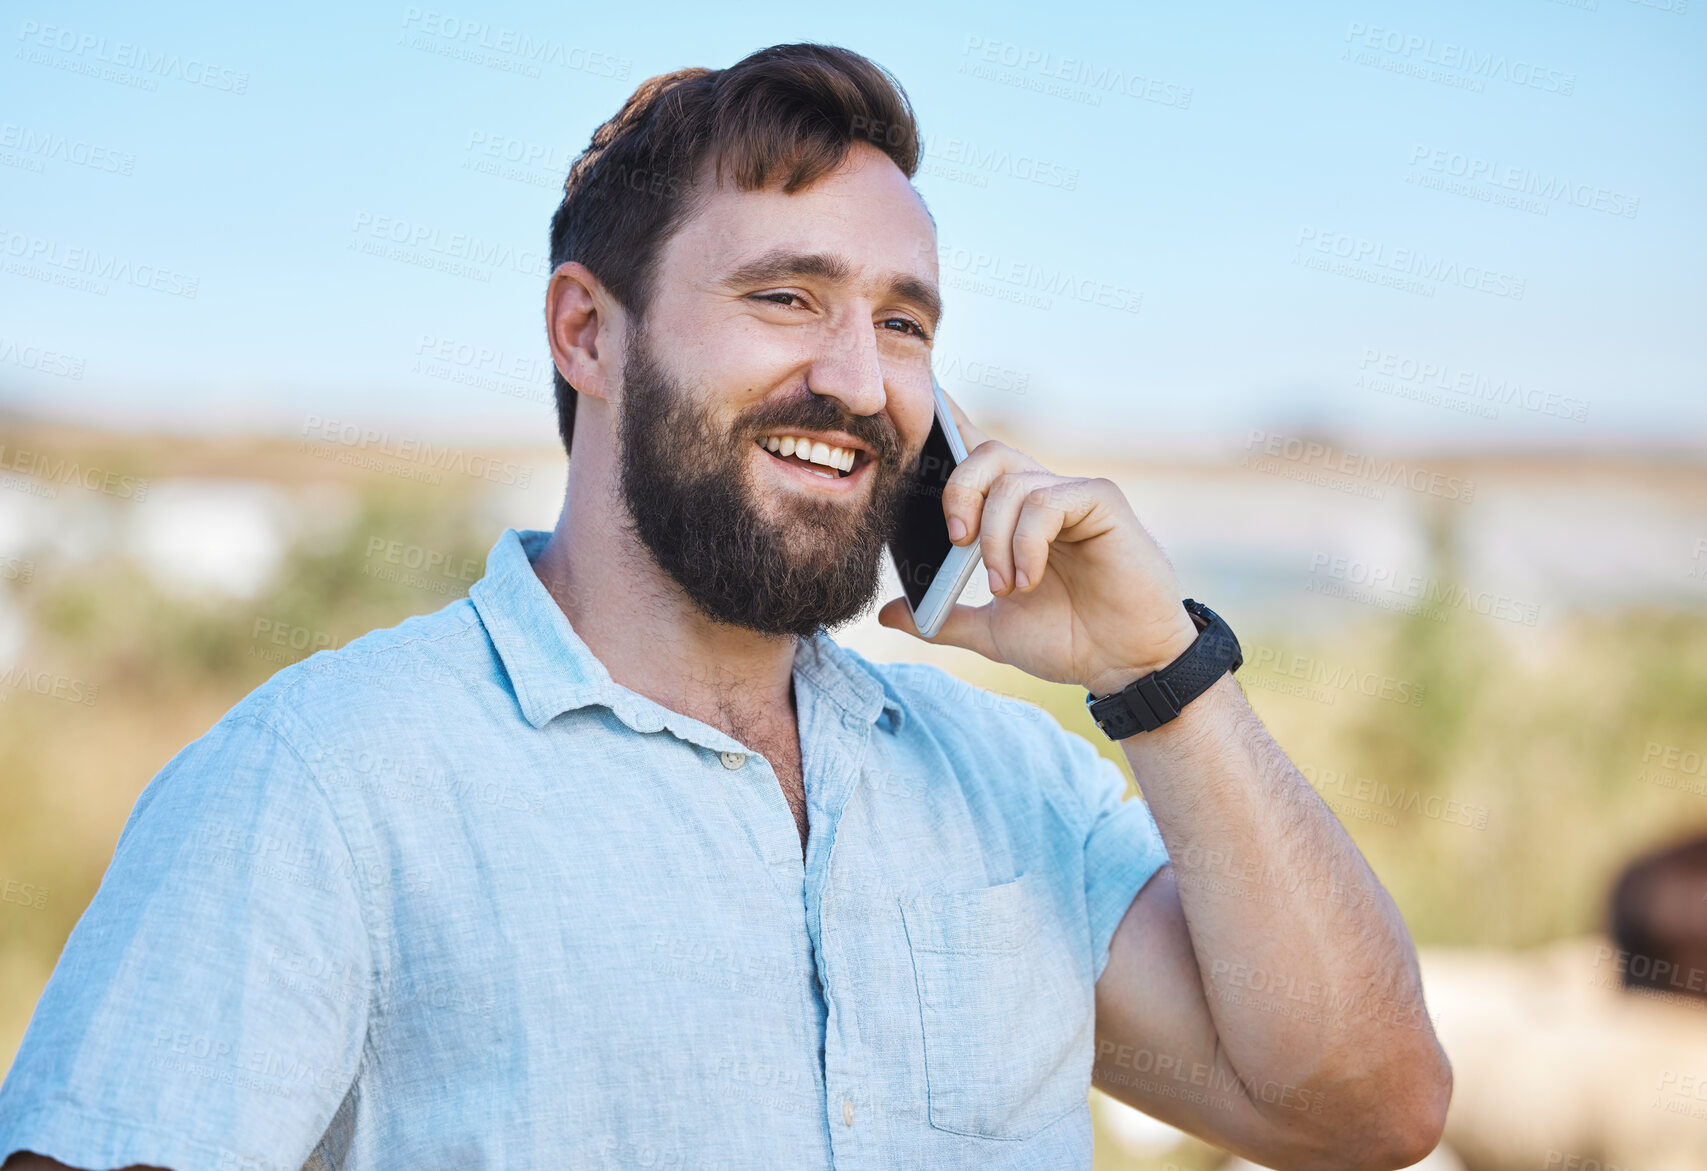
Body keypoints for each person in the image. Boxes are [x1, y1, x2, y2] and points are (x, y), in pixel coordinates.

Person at [0, 42, 1450, 1171]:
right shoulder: (322, 784)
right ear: (587, 332)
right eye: (786, 296)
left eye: (903, 320)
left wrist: (1158, 673)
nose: (863, 379)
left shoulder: (1011, 787)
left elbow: (1366, 1111)